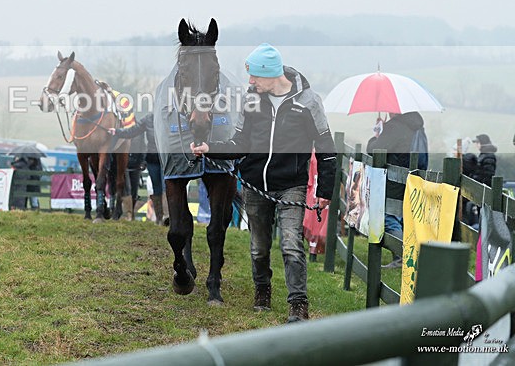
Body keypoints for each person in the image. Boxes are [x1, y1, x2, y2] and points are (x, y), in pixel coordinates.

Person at [191, 43, 336, 323]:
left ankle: (298, 303)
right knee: (259, 246)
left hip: (291, 184)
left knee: (292, 244)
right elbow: (240, 142)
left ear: (270, 75)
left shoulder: (308, 102)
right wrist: (212, 148)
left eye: (255, 77)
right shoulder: (252, 100)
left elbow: (326, 147)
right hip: (255, 183)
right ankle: (262, 290)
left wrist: (325, 191)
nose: (250, 82)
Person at [366, 110, 427, 268]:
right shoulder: (417, 127)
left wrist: (377, 135)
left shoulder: (395, 127)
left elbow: (375, 150)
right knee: (402, 217)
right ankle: (406, 256)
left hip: (393, 179)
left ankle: (403, 256)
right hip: (411, 178)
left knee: (389, 218)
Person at [108, 114, 168, 225]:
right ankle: (160, 218)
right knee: (157, 188)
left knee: (166, 187)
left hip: (167, 159)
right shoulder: (149, 118)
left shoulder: (169, 117)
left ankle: (167, 216)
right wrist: (117, 132)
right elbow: (133, 131)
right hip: (153, 160)